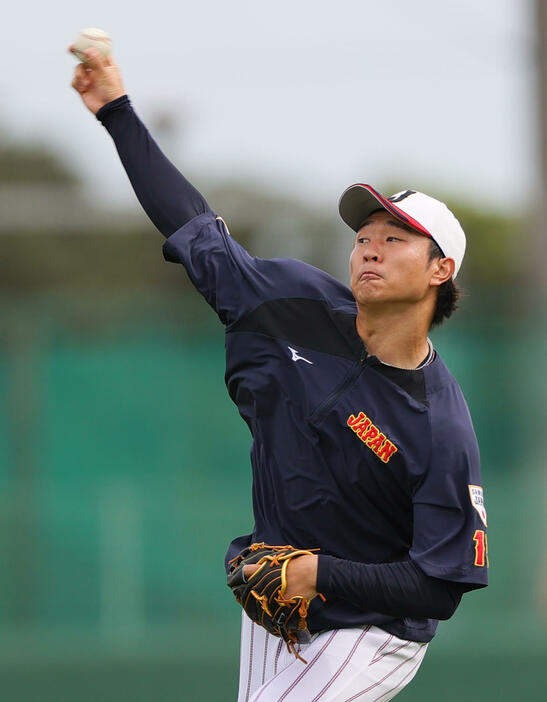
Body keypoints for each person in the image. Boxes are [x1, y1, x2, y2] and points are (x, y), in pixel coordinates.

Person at [70, 48, 488, 702]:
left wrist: (322, 571)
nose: (370, 246)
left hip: (370, 633)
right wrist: (116, 113)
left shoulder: (436, 425)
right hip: (276, 611)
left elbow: (439, 582)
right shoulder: (288, 305)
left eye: (396, 237)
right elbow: (193, 227)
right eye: (363, 235)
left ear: (440, 272)